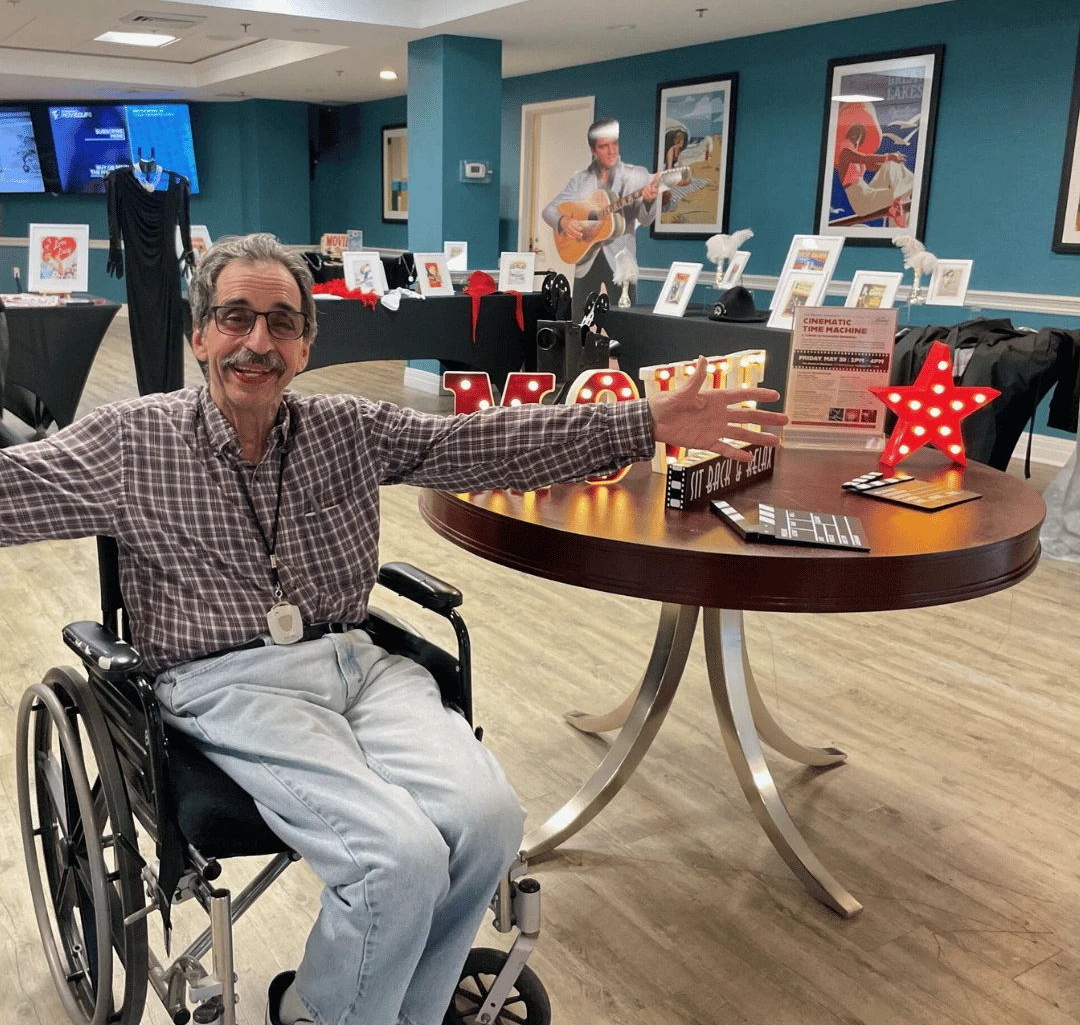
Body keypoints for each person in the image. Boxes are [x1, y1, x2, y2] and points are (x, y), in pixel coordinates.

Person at [0, 233, 786, 1025]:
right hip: (225, 681)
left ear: (306, 345)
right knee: (397, 860)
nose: (257, 342)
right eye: (235, 318)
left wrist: (644, 420)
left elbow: (478, 442)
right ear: (200, 333)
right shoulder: (132, 442)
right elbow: (14, 490)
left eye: (281, 323)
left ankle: (337, 1008)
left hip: (359, 664)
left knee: (489, 821)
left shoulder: (346, 428)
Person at [542, 118, 659, 320]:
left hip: (620, 264)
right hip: (585, 259)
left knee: (624, 326)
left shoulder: (636, 176)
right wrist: (563, 222)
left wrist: (650, 201)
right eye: (604, 146)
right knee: (579, 326)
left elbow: (646, 219)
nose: (611, 151)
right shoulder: (580, 179)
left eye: (614, 144)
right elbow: (548, 210)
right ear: (593, 150)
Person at [835, 123, 914, 228]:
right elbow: (865, 158)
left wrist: (891, 160)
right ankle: (899, 227)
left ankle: (907, 186)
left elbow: (873, 165)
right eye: (853, 133)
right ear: (848, 135)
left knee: (891, 165)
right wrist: (888, 157)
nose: (855, 137)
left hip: (867, 191)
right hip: (861, 199)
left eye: (858, 135)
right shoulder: (846, 152)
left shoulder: (854, 156)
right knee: (900, 194)